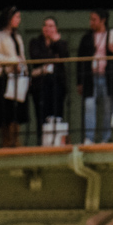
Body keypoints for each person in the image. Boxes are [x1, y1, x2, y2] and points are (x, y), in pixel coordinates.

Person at [0, 7, 28, 148]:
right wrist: (13, 60)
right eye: (16, 17)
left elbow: (21, 56)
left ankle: (15, 140)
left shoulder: (17, 36)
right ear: (9, 18)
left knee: (16, 111)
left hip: (17, 78)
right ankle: (6, 141)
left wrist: (24, 69)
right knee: (5, 111)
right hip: (3, 78)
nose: (19, 20)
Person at [76, 10, 113, 144]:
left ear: (103, 19)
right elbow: (80, 60)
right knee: (89, 107)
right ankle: (89, 138)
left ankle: (106, 138)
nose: (91, 22)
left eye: (94, 19)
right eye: (90, 19)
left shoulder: (112, 35)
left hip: (107, 77)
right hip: (90, 78)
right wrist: (79, 81)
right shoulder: (86, 38)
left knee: (107, 109)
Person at [30, 17, 69, 146]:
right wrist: (54, 58)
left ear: (56, 28)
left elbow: (64, 57)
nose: (48, 28)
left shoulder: (61, 43)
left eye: (51, 26)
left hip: (57, 85)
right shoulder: (35, 42)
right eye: (46, 25)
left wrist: (56, 41)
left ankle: (57, 143)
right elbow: (36, 56)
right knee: (41, 115)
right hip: (40, 86)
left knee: (57, 115)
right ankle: (42, 142)